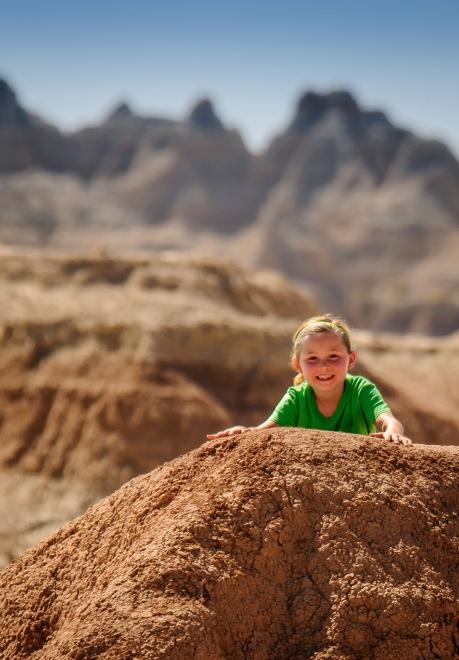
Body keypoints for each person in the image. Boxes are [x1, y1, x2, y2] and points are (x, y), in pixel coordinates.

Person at [207, 314, 412, 445]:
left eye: (334, 357)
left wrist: (393, 432)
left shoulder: (360, 390)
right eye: (312, 359)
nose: (324, 366)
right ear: (298, 364)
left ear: (351, 359)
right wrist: (242, 432)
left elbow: (389, 420)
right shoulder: (297, 398)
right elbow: (264, 431)